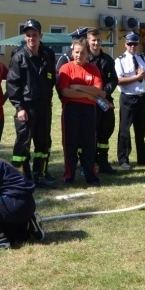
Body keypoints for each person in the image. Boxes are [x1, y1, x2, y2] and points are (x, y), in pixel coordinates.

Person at [6, 19, 57, 187]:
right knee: (23, 142)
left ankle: (39, 175)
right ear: (24, 37)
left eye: (34, 35)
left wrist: (48, 98)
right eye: (28, 35)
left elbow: (51, 79)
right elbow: (12, 84)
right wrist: (19, 107)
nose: (31, 38)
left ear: (40, 36)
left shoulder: (47, 54)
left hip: (43, 107)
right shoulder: (19, 56)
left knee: (43, 143)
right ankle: (21, 176)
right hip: (26, 107)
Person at [57, 36, 102, 185]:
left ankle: (90, 174)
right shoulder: (66, 68)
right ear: (72, 52)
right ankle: (69, 174)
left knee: (89, 143)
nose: (79, 55)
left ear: (87, 54)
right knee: (70, 143)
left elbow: (98, 91)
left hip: (89, 110)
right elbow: (65, 92)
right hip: (71, 109)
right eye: (76, 52)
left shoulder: (93, 69)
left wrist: (78, 87)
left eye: (82, 53)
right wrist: (86, 94)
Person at [114, 32, 145, 170]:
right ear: (125, 44)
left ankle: (142, 158)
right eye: (130, 44)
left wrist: (144, 74)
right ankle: (123, 159)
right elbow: (118, 80)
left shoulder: (142, 58)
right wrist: (137, 77)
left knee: (140, 131)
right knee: (124, 130)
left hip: (141, 97)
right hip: (128, 98)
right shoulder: (120, 60)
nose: (132, 46)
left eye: (135, 44)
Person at [85, 28, 119, 175]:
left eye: (98, 40)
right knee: (90, 134)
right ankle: (90, 163)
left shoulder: (107, 59)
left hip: (105, 101)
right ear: (88, 41)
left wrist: (106, 91)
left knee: (105, 133)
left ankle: (104, 162)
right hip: (90, 102)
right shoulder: (85, 59)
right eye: (93, 40)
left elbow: (114, 79)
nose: (96, 43)